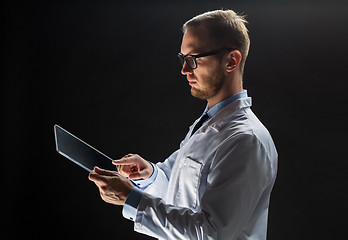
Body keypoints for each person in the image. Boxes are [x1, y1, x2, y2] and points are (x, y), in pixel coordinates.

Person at [89, 9, 278, 240]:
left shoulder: (246, 140)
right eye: (183, 58)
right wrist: (150, 174)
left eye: (193, 59)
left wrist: (133, 200)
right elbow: (180, 191)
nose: (184, 70)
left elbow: (211, 234)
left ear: (231, 60)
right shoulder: (209, 123)